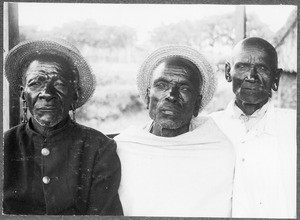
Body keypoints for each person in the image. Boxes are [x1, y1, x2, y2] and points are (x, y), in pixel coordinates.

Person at [3, 38, 123, 215]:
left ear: (74, 95)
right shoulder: (5, 144)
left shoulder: (100, 148)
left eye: (59, 84)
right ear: (23, 94)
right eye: (35, 82)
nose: (47, 93)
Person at [115, 45, 235, 217]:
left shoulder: (217, 150)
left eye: (185, 88)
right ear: (148, 96)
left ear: (197, 104)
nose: (171, 95)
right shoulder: (123, 146)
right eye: (162, 85)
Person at [210, 37, 296, 218]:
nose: (252, 76)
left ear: (276, 78)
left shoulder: (293, 126)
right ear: (228, 72)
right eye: (242, 66)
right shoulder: (208, 126)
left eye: (263, 68)